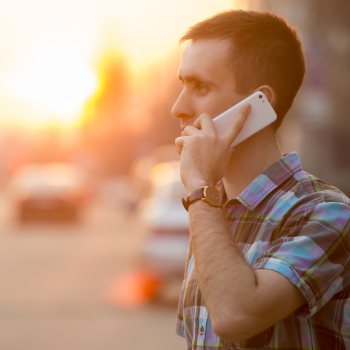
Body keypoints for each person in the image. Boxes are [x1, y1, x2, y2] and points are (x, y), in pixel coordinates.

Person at [172, 10, 350, 350]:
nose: (177, 108)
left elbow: (235, 316)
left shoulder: (327, 213)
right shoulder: (213, 210)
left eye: (201, 87)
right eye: (182, 85)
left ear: (257, 105)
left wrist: (201, 191)